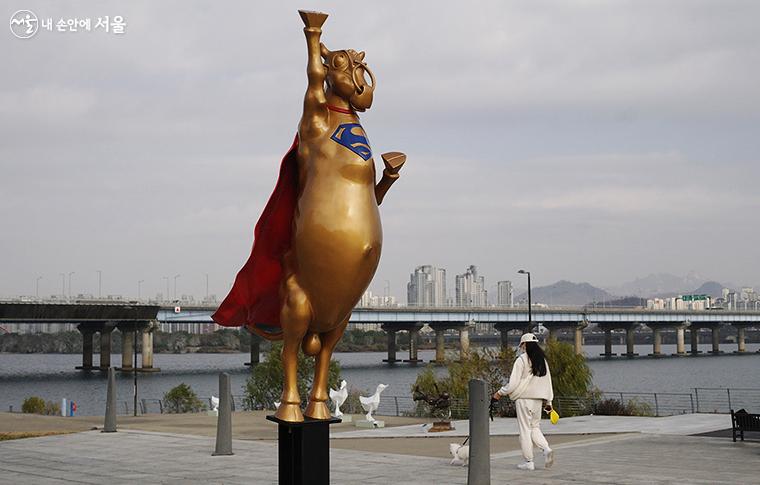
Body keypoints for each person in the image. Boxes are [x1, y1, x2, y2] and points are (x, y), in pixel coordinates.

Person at [493, 332, 555, 471]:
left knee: (525, 430)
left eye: (522, 345)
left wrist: (499, 392)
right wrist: (549, 402)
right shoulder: (542, 361)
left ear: (525, 344)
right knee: (535, 427)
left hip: (523, 399)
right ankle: (546, 449)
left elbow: (513, 384)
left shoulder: (522, 360)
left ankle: (529, 462)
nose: (521, 348)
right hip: (538, 400)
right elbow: (548, 382)